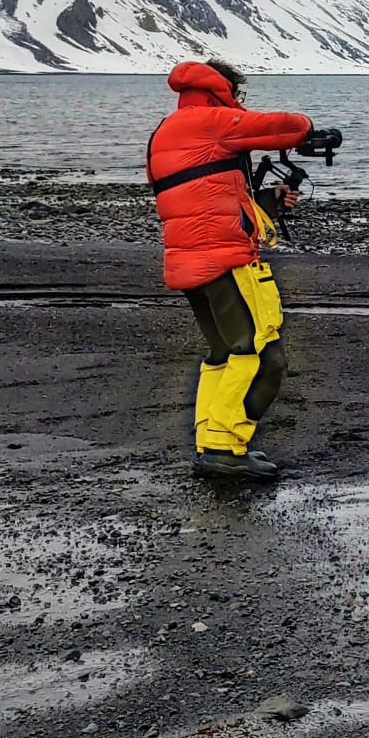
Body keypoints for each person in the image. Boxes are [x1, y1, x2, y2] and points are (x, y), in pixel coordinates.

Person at [147, 60, 323, 480]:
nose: (241, 103)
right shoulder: (211, 121)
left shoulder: (169, 130)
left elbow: (202, 197)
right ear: (223, 90)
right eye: (238, 94)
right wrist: (311, 129)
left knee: (224, 354)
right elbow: (288, 126)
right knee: (263, 357)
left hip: (191, 262)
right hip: (225, 262)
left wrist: (267, 200)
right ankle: (227, 448)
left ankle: (214, 444)